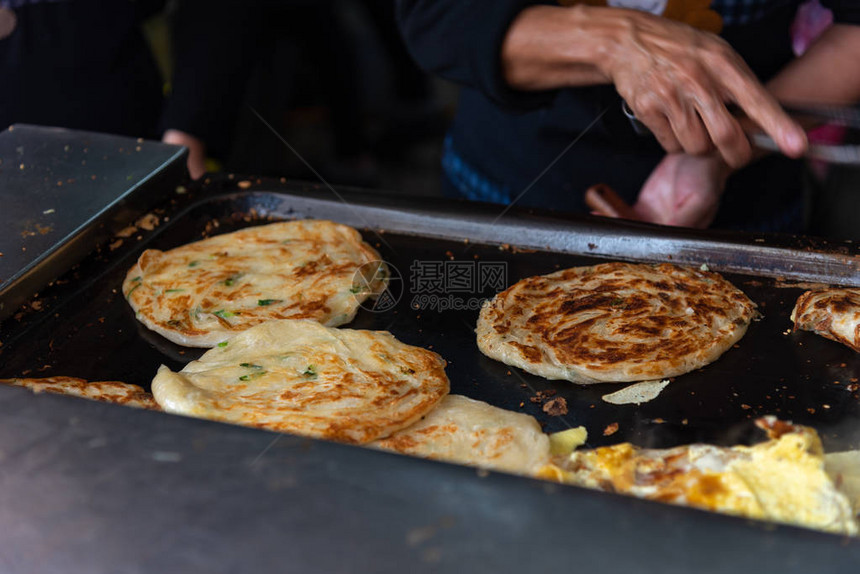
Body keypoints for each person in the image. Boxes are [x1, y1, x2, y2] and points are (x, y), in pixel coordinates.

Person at [396, 0, 860, 232]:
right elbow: (435, 17)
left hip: (744, 195)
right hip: (512, 187)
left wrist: (718, 152)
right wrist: (611, 41)